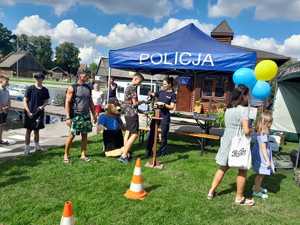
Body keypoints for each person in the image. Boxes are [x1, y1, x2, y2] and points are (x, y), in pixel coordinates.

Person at [207, 87, 255, 206]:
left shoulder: (228, 110)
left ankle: (211, 191)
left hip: (227, 140)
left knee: (222, 167)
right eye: (248, 95)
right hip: (238, 143)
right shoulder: (243, 110)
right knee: (242, 170)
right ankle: (239, 197)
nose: (249, 97)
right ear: (242, 96)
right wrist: (252, 130)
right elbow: (245, 131)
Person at [64, 71, 97, 163]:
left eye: (87, 75)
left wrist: (94, 114)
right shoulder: (72, 87)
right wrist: (67, 117)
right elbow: (67, 102)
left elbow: (90, 102)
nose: (87, 77)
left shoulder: (88, 87)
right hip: (76, 115)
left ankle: (83, 154)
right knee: (71, 136)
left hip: (86, 115)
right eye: (85, 75)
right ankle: (66, 154)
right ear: (80, 76)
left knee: (85, 135)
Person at [146, 77, 176, 157]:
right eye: (163, 84)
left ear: (170, 84)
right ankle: (149, 150)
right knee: (152, 132)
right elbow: (153, 95)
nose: (163, 85)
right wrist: (150, 94)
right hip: (157, 114)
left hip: (165, 116)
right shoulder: (160, 92)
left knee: (163, 134)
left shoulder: (172, 94)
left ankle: (162, 151)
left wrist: (164, 105)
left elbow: (172, 107)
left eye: (165, 84)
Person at [118, 72, 144, 164]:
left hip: (126, 113)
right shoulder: (133, 88)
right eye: (139, 82)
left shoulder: (128, 87)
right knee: (135, 134)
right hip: (132, 113)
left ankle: (126, 152)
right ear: (135, 79)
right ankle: (124, 155)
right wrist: (143, 101)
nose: (139, 84)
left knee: (128, 132)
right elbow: (135, 103)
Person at [23, 73, 50, 154]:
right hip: (29, 112)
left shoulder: (45, 90)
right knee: (28, 130)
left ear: (42, 79)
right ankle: (27, 149)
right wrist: (28, 111)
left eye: (39, 78)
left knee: (37, 130)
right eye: (36, 78)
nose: (37, 79)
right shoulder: (30, 88)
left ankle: (37, 147)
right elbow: (24, 100)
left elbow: (46, 101)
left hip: (39, 113)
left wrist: (43, 106)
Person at [251, 110, 274, 199]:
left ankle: (257, 187)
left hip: (259, 155)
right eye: (269, 123)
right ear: (264, 122)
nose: (270, 124)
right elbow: (263, 148)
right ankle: (256, 191)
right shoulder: (263, 133)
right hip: (262, 157)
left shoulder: (260, 131)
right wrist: (268, 160)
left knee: (261, 173)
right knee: (260, 174)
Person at [0, 73, 10, 145]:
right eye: (6, 82)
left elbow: (9, 100)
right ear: (1, 81)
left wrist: (8, 106)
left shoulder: (7, 91)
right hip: (0, 110)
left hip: (4, 111)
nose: (8, 83)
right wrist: (2, 108)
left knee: (2, 125)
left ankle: (0, 139)